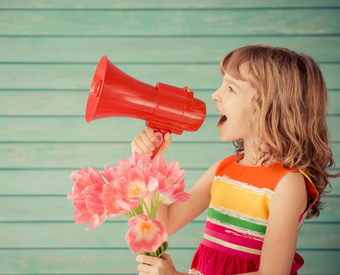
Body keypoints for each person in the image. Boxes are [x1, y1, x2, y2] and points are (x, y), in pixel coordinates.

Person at [131, 45, 338, 275]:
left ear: (268, 109)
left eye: (231, 88)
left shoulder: (287, 185)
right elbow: (163, 224)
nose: (215, 95)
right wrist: (146, 163)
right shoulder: (222, 170)